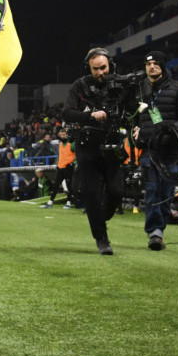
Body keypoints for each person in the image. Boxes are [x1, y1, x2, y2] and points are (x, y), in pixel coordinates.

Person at [63, 47, 126, 255]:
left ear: (110, 65)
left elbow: (133, 106)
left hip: (112, 144)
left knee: (117, 191)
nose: (100, 73)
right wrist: (90, 116)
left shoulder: (120, 83)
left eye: (104, 68)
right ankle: (102, 239)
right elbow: (67, 112)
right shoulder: (79, 86)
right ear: (88, 68)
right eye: (96, 69)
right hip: (87, 146)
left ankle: (102, 216)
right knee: (91, 194)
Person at [132, 51, 178, 251]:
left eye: (156, 63)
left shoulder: (177, 88)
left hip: (171, 150)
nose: (152, 67)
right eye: (148, 64)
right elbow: (134, 115)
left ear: (163, 66)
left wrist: (171, 130)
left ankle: (159, 229)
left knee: (166, 193)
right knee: (151, 191)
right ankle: (155, 233)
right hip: (149, 149)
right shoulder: (140, 90)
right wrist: (135, 131)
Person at [40, 127, 76, 209]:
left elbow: (77, 154)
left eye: (64, 134)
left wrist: (73, 163)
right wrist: (57, 164)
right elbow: (60, 155)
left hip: (68, 167)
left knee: (69, 186)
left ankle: (69, 202)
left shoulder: (72, 144)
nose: (63, 136)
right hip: (61, 167)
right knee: (56, 185)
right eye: (61, 134)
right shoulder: (60, 144)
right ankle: (50, 202)